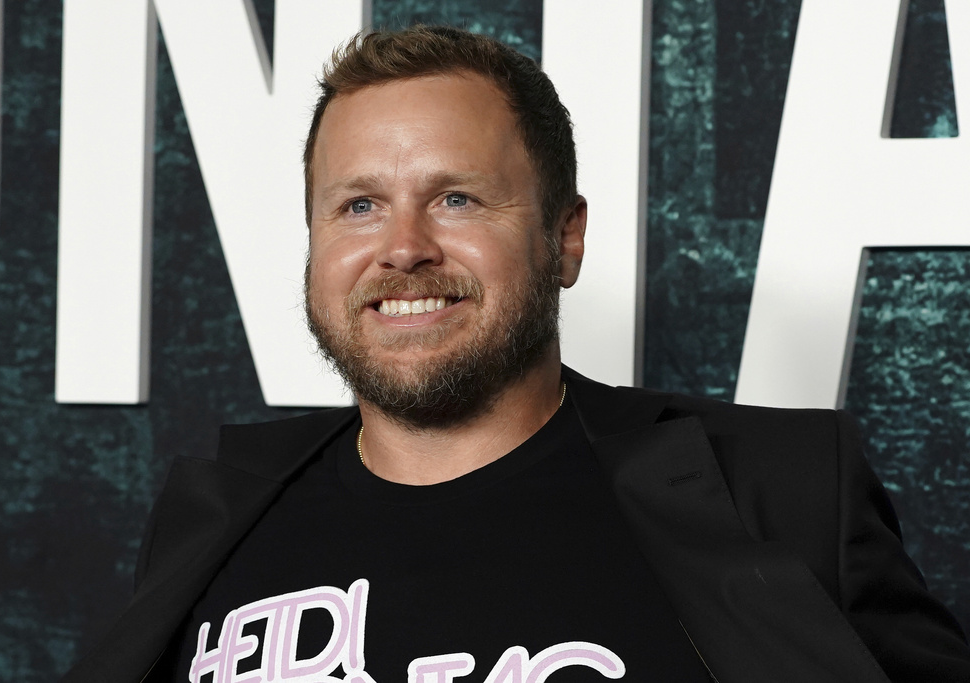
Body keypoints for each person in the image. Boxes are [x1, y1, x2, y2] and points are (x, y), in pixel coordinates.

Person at [63, 26, 970, 683]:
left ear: (564, 239)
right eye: (358, 206)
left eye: (456, 199)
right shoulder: (211, 514)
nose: (404, 247)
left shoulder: (779, 490)